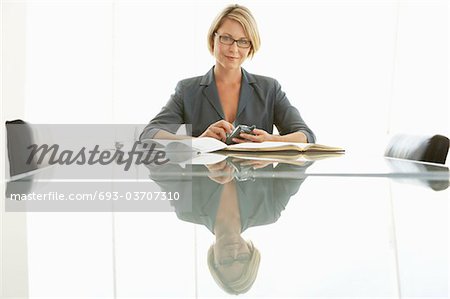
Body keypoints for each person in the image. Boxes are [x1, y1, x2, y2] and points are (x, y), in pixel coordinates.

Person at [140, 4, 315, 144]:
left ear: (251, 47)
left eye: (243, 41)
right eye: (226, 38)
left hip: (256, 185)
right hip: (204, 185)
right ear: (213, 39)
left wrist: (270, 140)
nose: (234, 48)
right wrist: (199, 141)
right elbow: (149, 133)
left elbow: (306, 135)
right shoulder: (187, 90)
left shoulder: (269, 88)